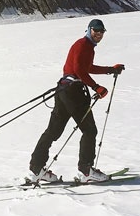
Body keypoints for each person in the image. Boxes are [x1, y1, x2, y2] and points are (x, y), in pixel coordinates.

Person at [26, 19, 125, 184]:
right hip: (73, 93)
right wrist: (96, 87)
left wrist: (110, 70)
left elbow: (87, 68)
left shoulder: (87, 47)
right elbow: (79, 70)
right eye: (96, 30)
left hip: (64, 91)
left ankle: (36, 169)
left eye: (102, 32)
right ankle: (86, 170)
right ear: (88, 30)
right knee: (89, 130)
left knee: (53, 132)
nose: (99, 34)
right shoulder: (82, 45)